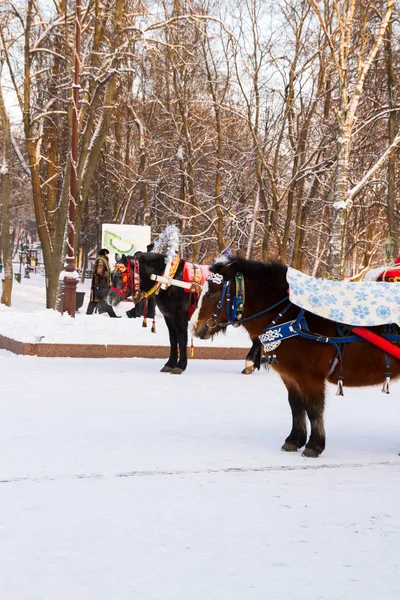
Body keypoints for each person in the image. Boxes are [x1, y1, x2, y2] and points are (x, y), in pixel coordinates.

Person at [86, 248, 120, 317]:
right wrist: (107, 274)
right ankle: (112, 315)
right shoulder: (101, 261)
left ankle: (89, 314)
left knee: (96, 301)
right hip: (100, 285)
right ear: (104, 254)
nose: (108, 255)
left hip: (101, 285)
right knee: (95, 301)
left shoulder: (103, 261)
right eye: (107, 254)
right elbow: (98, 272)